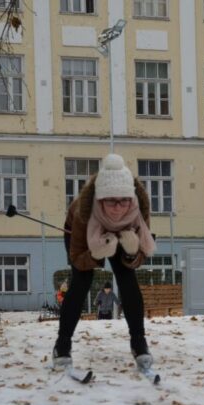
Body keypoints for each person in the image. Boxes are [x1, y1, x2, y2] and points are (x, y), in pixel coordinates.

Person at [53, 154, 156, 369]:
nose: (118, 207)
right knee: (81, 281)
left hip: (123, 233)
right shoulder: (83, 211)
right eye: (110, 200)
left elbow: (139, 257)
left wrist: (129, 253)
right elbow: (78, 259)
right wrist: (97, 253)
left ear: (131, 198)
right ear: (100, 198)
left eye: (124, 200)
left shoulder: (139, 210)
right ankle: (62, 345)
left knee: (127, 279)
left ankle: (139, 343)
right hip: (87, 235)